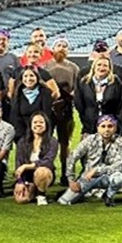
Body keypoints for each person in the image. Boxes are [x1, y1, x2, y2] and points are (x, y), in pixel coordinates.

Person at [58, 114, 122, 207]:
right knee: (64, 201)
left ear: (115, 128)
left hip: (108, 177)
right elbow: (72, 157)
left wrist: (97, 170)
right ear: (98, 128)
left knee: (119, 178)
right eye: (103, 126)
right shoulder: (90, 139)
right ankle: (82, 193)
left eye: (110, 126)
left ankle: (108, 196)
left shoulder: (121, 142)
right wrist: (71, 180)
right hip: (88, 177)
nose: (106, 129)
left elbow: (118, 166)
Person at [43, 37, 80, 180]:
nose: (62, 48)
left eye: (65, 46)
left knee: (65, 142)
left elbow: (77, 88)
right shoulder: (45, 66)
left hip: (66, 108)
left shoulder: (73, 67)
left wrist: (69, 97)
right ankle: (47, 170)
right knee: (46, 140)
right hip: (49, 108)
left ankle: (66, 172)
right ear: (53, 49)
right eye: (59, 45)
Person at [12, 111, 59, 206]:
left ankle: (41, 194)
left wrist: (26, 166)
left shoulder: (52, 141)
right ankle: (33, 189)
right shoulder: (23, 141)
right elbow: (18, 163)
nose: (38, 124)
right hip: (27, 176)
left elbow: (47, 161)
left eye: (41, 122)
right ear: (30, 125)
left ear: (46, 125)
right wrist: (20, 182)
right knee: (21, 200)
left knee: (42, 172)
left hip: (44, 173)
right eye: (35, 122)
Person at [75, 55, 122, 135]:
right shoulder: (84, 82)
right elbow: (79, 102)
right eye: (99, 65)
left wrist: (117, 121)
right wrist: (85, 119)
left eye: (105, 65)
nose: (101, 67)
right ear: (94, 67)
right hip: (89, 125)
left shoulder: (116, 82)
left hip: (110, 125)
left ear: (109, 68)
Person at [9, 66, 55, 141]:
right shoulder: (17, 94)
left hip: (41, 134)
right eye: (25, 76)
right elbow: (15, 117)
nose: (28, 79)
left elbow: (48, 116)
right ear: (22, 79)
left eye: (31, 75)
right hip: (22, 135)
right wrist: (21, 138)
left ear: (37, 78)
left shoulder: (46, 93)